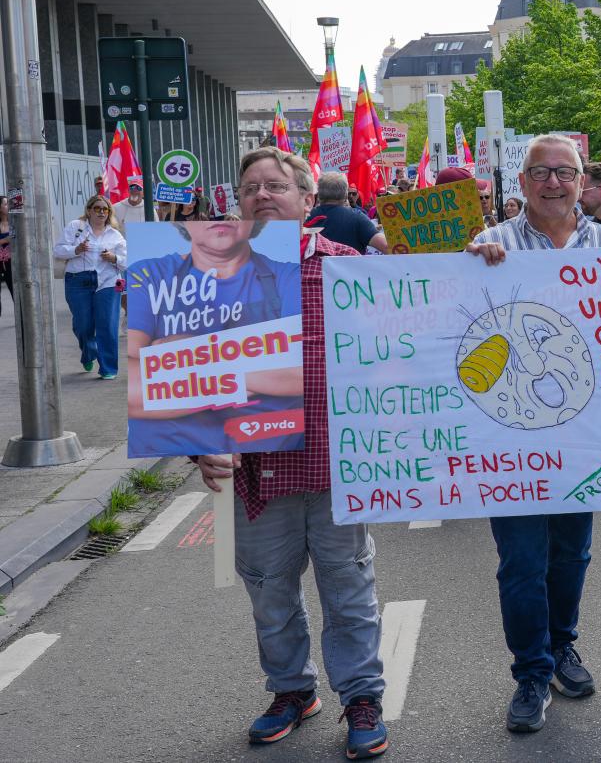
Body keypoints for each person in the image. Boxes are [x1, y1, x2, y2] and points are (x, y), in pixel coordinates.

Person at [193, 147, 389, 760]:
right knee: (269, 591)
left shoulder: (348, 267)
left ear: (309, 203)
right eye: (250, 187)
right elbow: (190, 369)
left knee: (347, 588)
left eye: (275, 185)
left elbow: (405, 352)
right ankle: (291, 691)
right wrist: (198, 445)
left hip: (336, 464)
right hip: (259, 468)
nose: (261, 195)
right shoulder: (208, 273)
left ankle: (361, 698)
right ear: (238, 204)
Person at [466, 133, 601, 734]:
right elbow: (456, 318)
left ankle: (562, 646)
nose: (554, 182)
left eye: (565, 172)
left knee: (571, 553)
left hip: (582, 432)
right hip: (511, 438)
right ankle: (531, 671)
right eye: (541, 172)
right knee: (522, 562)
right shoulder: (491, 243)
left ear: (584, 182)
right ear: (521, 182)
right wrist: (465, 265)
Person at [126, 218, 303, 455]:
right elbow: (136, 390)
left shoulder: (289, 276)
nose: (220, 222)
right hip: (178, 445)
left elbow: (297, 375)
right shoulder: (149, 275)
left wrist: (181, 357)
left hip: (267, 442)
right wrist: (259, 371)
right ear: (184, 225)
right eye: (207, 215)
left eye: (234, 215)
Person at [53, 195, 126, 379]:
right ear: (89, 210)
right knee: (83, 325)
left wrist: (114, 258)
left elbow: (127, 261)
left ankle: (108, 368)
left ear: (109, 213)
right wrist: (76, 250)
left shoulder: (115, 235)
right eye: (97, 208)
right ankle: (88, 350)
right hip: (78, 280)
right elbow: (58, 250)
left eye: (105, 209)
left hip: (108, 282)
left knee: (107, 326)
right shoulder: (75, 227)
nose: (101, 212)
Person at [310, 173, 389, 255]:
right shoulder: (358, 218)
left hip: (312, 267)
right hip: (352, 267)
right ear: (345, 194)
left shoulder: (305, 217)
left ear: (318, 194)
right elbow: (386, 246)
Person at [0, 196, 13, 317]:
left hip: (11, 261)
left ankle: (21, 316)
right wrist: (5, 240)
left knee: (13, 287)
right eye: (5, 204)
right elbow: (8, 240)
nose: (8, 206)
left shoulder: (14, 222)